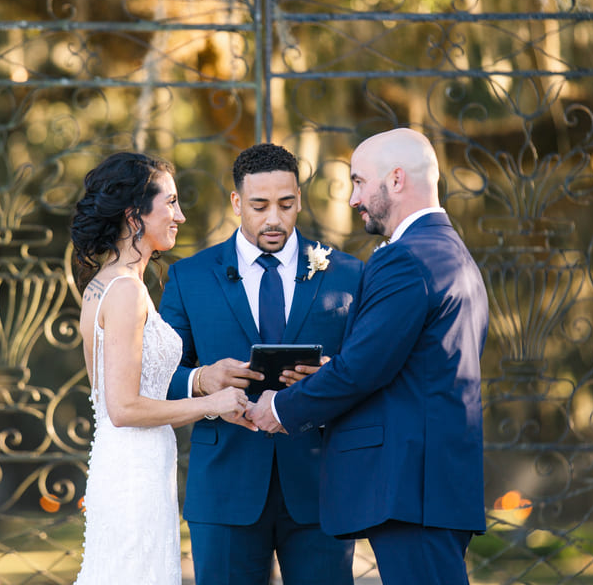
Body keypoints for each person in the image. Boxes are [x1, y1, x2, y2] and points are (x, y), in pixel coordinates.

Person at [248, 128, 489, 585]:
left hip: (410, 487)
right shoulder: (449, 251)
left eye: (359, 181)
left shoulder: (405, 258)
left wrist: (278, 409)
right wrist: (331, 372)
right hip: (433, 484)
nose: (354, 198)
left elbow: (363, 369)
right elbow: (408, 364)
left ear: (396, 180)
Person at [161, 143, 362, 585]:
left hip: (321, 487)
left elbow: (368, 369)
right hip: (225, 490)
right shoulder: (189, 277)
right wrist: (201, 379)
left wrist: (331, 372)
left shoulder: (349, 274)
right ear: (237, 202)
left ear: (299, 201)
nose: (274, 218)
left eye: (286, 204)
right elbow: (157, 377)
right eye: (259, 205)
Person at [70, 151, 253, 585]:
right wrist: (211, 403)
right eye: (170, 203)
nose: (181, 216)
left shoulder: (105, 284)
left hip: (133, 467)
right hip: (133, 477)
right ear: (135, 215)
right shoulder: (125, 293)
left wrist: (203, 387)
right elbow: (123, 408)